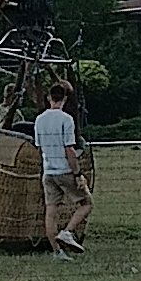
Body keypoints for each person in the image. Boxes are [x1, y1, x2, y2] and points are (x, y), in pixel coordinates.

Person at [33, 73, 92, 255]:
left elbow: (39, 146)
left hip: (48, 170)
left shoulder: (39, 120)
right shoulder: (66, 120)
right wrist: (77, 174)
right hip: (64, 169)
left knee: (50, 212)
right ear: (65, 98)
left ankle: (57, 252)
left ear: (49, 97)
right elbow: (69, 150)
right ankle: (67, 232)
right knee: (86, 203)